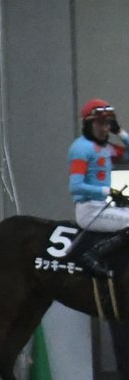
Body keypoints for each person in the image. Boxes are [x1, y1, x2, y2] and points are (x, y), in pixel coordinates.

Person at [68, 99, 129, 277]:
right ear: (88, 124)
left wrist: (121, 132)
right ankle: (92, 254)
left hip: (102, 206)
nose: (104, 129)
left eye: (108, 124)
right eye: (100, 123)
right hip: (89, 211)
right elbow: (75, 187)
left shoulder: (107, 148)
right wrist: (107, 191)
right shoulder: (81, 148)